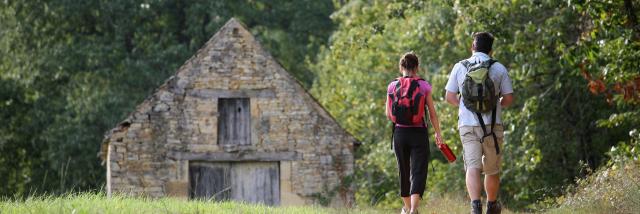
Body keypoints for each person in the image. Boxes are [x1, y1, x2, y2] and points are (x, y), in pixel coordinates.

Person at [444, 32, 514, 214]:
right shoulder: (499, 68)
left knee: (472, 166)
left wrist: (467, 105)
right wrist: (493, 104)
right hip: (492, 126)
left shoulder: (460, 67)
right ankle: (491, 205)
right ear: (491, 50)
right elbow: (508, 98)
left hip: (467, 125)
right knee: (492, 169)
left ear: (472, 47)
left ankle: (475, 206)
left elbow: (449, 96)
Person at [386, 52, 444, 214]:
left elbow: (388, 114)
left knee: (403, 170)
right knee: (418, 171)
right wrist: (438, 133)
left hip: (399, 133)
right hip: (419, 133)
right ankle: (413, 209)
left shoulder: (392, 86)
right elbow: (432, 113)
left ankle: (406, 208)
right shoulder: (424, 85)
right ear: (417, 67)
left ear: (401, 67)